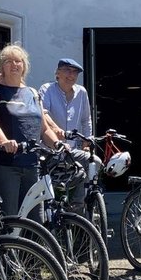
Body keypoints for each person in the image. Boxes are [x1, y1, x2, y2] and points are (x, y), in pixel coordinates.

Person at [0, 44, 63, 217]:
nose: (14, 65)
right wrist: (4, 141)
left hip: (32, 165)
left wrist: (57, 144)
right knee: (10, 217)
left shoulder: (33, 93)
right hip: (6, 165)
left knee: (36, 220)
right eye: (8, 61)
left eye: (18, 61)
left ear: (24, 66)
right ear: (2, 66)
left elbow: (44, 129)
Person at [39, 58, 93, 207]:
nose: (72, 75)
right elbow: (43, 113)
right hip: (50, 150)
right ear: (57, 73)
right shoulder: (47, 89)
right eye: (68, 70)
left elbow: (86, 120)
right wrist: (56, 129)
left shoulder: (81, 92)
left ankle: (77, 206)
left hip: (72, 150)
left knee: (93, 161)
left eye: (75, 72)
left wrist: (87, 142)